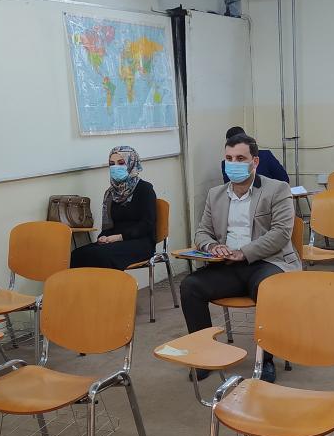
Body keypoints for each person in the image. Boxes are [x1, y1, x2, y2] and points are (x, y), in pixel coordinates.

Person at [181, 132, 301, 383]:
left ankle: (265, 360)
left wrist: (244, 252)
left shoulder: (277, 189)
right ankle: (205, 354)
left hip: (268, 262)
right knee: (190, 286)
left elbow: (281, 234)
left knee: (267, 289)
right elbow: (202, 232)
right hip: (228, 265)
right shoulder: (215, 194)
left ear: (254, 162)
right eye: (229, 158)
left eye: (240, 158)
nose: (233, 164)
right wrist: (213, 246)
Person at [71, 146, 157, 269]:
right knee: (77, 255)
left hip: (140, 241)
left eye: (121, 163)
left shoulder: (145, 189)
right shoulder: (110, 193)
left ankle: (111, 282)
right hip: (114, 241)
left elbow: (147, 224)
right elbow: (108, 226)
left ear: (131, 164)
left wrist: (119, 237)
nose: (115, 167)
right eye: (112, 164)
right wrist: (103, 237)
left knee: (101, 256)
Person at [220, 126, 290, 184]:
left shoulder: (265, 156)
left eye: (240, 158)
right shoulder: (265, 155)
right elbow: (284, 179)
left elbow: (284, 179)